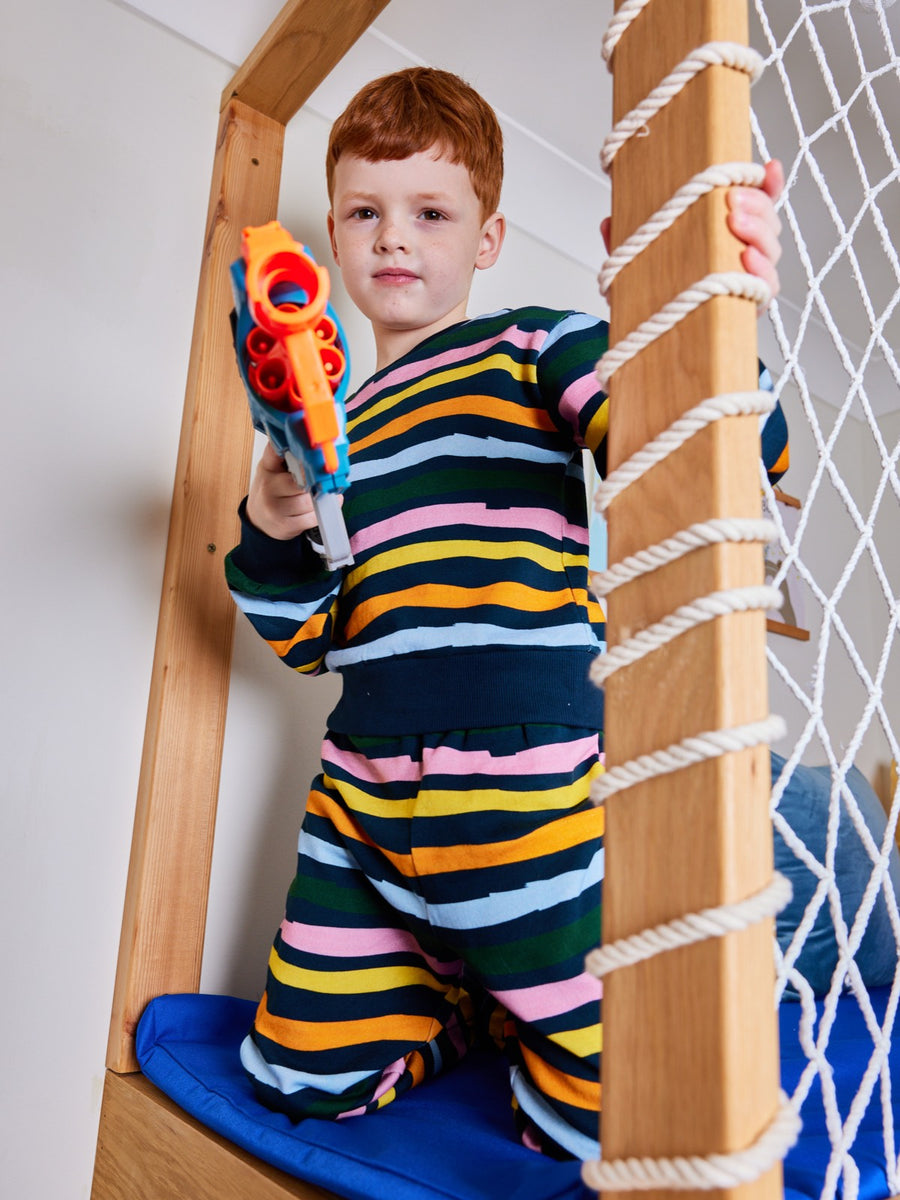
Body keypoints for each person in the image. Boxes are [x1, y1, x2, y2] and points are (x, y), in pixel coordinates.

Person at [225, 67, 788, 1161]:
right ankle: (462, 1010)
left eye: (430, 213)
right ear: (335, 234)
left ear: (486, 238)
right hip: (361, 794)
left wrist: (711, 309)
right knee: (294, 1082)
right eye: (364, 213)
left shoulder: (533, 345)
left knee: (612, 1120)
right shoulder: (324, 421)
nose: (395, 240)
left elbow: (711, 457)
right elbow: (303, 637)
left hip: (522, 779)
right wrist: (272, 512)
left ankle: (511, 1005)